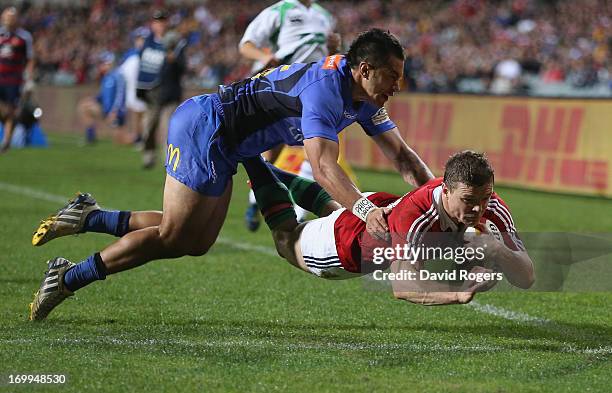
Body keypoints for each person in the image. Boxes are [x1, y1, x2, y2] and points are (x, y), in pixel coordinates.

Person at [28, 29, 433, 321]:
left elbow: (405, 160)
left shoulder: (365, 98)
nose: (398, 85)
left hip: (231, 142)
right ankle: (66, 278)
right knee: (173, 235)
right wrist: (364, 209)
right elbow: (324, 167)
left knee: (196, 241)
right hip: (208, 127)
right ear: (365, 69)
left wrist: (436, 199)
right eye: (393, 76)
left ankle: (89, 217)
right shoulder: (326, 88)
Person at [243, 151, 534, 305]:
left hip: (376, 210)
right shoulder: (417, 215)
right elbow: (405, 286)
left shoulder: (492, 206)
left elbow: (527, 277)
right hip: (344, 246)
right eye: (468, 200)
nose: (477, 209)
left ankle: (270, 173)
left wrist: (499, 251)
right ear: (445, 191)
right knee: (285, 239)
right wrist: (458, 292)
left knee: (331, 206)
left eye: (484, 198)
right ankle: (251, 160)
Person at [239, 0, 350, 228]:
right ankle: (254, 201)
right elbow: (246, 44)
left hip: (315, 92)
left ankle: (300, 215)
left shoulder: (324, 15)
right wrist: (263, 57)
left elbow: (330, 58)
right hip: (282, 90)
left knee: (316, 151)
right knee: (270, 153)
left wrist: (333, 49)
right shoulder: (280, 10)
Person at [137, 10, 187, 169]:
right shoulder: (148, 42)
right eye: (157, 22)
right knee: (149, 127)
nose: (160, 25)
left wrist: (174, 60)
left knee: (169, 129)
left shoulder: (176, 42)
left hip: (170, 92)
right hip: (152, 93)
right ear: (153, 25)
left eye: (163, 21)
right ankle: (149, 155)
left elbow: (183, 67)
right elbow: (143, 67)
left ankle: (170, 162)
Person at [0, 6, 34, 153]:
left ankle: (6, 142)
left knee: (10, 111)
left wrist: (29, 78)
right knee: (4, 111)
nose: (9, 20)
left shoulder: (24, 37)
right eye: (7, 17)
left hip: (13, 79)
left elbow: (31, 59)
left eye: (12, 17)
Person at [76, 52, 126, 145]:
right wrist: (93, 99)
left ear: (109, 64)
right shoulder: (106, 77)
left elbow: (120, 95)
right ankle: (90, 137)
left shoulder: (118, 76)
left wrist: (114, 111)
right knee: (84, 107)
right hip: (105, 111)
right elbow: (103, 96)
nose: (100, 66)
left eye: (102, 63)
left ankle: (137, 140)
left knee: (121, 141)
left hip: (115, 114)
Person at [118, 27, 149, 146]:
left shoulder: (152, 52)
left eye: (143, 39)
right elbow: (122, 73)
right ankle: (138, 138)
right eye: (139, 39)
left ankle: (144, 138)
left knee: (145, 116)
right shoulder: (130, 55)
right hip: (133, 88)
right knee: (136, 114)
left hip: (147, 89)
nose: (140, 41)